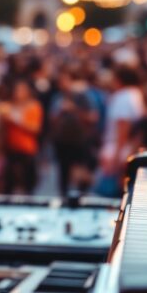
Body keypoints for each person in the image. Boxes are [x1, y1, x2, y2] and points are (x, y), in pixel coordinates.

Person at [97, 66, 144, 197]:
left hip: (118, 151)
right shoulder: (136, 94)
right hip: (127, 149)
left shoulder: (123, 97)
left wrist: (116, 158)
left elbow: (123, 127)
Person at [49, 69, 97, 197]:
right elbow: (51, 119)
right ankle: (63, 197)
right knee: (63, 172)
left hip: (79, 140)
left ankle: (80, 197)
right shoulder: (57, 98)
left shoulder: (82, 96)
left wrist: (74, 109)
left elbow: (93, 117)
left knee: (80, 172)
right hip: (62, 141)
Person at [0, 80, 42, 194]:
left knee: (28, 183)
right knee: (9, 182)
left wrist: (16, 120)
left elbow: (36, 128)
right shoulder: (8, 106)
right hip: (10, 149)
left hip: (27, 149)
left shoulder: (34, 106)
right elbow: (1, 130)